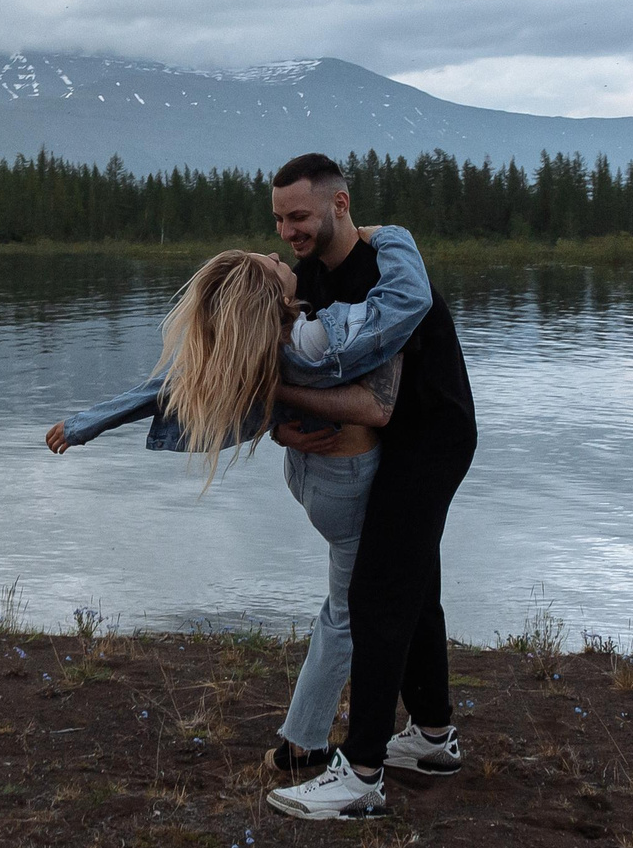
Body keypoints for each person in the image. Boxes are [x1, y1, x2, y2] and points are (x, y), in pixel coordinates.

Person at [44, 238, 427, 773]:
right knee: (350, 612)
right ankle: (307, 744)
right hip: (347, 485)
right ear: (269, 293)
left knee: (351, 604)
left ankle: (318, 736)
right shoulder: (317, 337)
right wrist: (393, 238)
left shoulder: (261, 345)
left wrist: (87, 424)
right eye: (271, 263)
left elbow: (166, 388)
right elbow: (405, 302)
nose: (279, 255)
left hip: (308, 478)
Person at [263, 152, 476, 823]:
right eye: (278, 219)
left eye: (299, 215)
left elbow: (376, 403)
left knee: (377, 593)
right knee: (416, 590)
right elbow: (303, 370)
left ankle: (359, 774)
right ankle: (434, 737)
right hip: (394, 442)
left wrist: (282, 395)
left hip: (429, 437)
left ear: (340, 204)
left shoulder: (383, 271)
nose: (288, 230)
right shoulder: (307, 277)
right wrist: (284, 422)